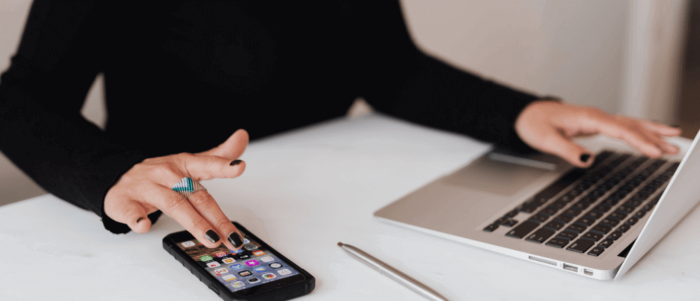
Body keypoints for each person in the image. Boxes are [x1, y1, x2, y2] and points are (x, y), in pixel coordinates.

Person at [0, 1, 680, 251]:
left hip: (344, 213)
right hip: (184, 227)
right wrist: (110, 173)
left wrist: (522, 112)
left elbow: (387, 67)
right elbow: (21, 99)